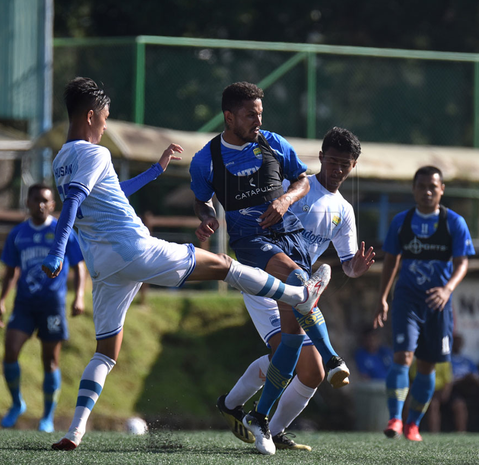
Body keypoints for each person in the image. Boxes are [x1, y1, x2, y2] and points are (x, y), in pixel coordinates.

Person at [43, 77, 332, 451]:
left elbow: (108, 192)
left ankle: (74, 432)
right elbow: (70, 207)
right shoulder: (94, 153)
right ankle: (297, 293)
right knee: (224, 265)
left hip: (104, 267)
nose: (105, 126)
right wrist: (56, 251)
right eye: (105, 119)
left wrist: (155, 172)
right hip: (135, 250)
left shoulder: (61, 160)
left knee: (105, 352)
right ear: (91, 115)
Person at [190, 82, 349, 455]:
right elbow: (202, 202)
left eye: (260, 113)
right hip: (251, 246)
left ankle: (259, 418)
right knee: (298, 282)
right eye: (250, 114)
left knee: (291, 342)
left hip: (288, 238)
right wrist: (207, 218)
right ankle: (332, 356)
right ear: (229, 117)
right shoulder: (206, 159)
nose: (258, 120)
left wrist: (285, 201)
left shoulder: (273, 142)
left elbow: (302, 181)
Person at [216, 127, 374, 452]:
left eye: (345, 163)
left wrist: (354, 269)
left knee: (311, 372)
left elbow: (346, 264)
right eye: (332, 161)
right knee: (286, 352)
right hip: (264, 279)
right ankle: (249, 416)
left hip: (296, 287)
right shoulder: (295, 187)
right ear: (321, 158)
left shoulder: (344, 211)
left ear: (354, 166)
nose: (337, 169)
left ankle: (265, 425)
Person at [373, 165, 475, 442]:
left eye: (433, 186)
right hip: (407, 299)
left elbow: (462, 262)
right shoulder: (401, 222)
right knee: (402, 357)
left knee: (428, 365)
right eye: (422, 186)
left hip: (438, 305)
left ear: (442, 189)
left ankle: (413, 425)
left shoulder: (454, 222)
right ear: (414, 190)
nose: (427, 191)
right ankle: (395, 418)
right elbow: (391, 261)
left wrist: (447, 289)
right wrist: (383, 297)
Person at [0, 183, 86, 433]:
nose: (41, 205)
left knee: (50, 361)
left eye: (46, 200)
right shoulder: (17, 234)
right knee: (11, 350)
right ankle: (16, 404)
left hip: (52, 305)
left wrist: (79, 296)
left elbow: (79, 265)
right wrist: (1, 300)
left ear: (53, 205)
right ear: (28, 203)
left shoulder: (62, 230)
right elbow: (11, 270)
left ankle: (47, 417)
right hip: (24, 303)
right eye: (36, 200)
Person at [448, 333, 479, 433]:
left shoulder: (467, 360)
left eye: (460, 342)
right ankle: (461, 432)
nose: (457, 345)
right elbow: (448, 379)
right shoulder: (447, 360)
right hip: (455, 388)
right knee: (459, 404)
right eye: (455, 342)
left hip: (471, 388)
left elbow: (477, 377)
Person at [404, 361, 452, 433]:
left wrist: (445, 393)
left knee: (433, 405)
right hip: (419, 390)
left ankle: (434, 433)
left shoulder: (444, 361)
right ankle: (406, 429)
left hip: (436, 392)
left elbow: (448, 380)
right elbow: (413, 377)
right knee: (409, 404)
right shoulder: (419, 360)